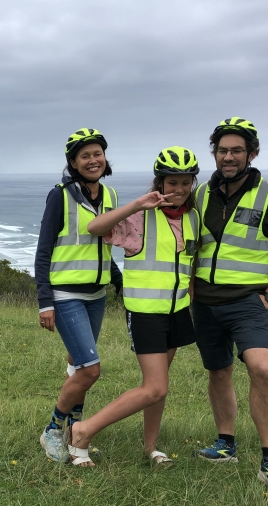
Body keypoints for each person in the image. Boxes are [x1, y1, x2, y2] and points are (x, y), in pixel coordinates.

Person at [191, 117, 268, 497]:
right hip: (204, 304)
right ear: (215, 153)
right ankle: (225, 444)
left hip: (247, 303)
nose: (228, 157)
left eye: (236, 150)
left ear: (251, 154)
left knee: (263, 369)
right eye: (222, 150)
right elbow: (187, 244)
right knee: (219, 372)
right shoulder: (201, 194)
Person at [65, 146, 201, 467]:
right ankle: (83, 431)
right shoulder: (140, 218)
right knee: (154, 387)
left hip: (177, 312)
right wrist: (138, 203)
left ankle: (151, 447)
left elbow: (189, 263)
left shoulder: (194, 217)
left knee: (160, 387)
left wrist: (191, 298)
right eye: (172, 183)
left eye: (186, 183)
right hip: (144, 313)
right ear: (159, 184)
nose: (179, 190)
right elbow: (96, 228)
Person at [35, 128, 122, 462]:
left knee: (77, 365)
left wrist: (119, 282)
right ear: (73, 162)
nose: (92, 160)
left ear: (105, 157)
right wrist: (45, 301)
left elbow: (103, 249)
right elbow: (44, 251)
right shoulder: (60, 195)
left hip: (96, 294)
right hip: (65, 293)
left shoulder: (110, 197)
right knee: (90, 369)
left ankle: (75, 433)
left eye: (97, 153)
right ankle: (53, 430)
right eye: (84, 156)